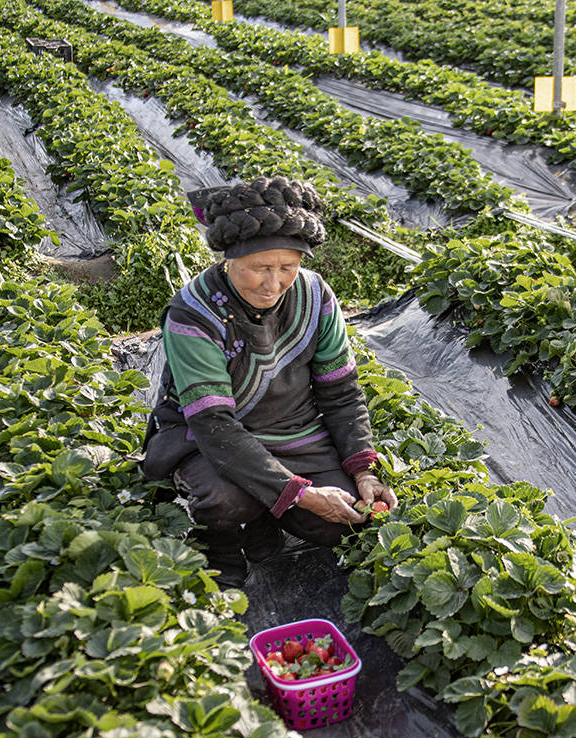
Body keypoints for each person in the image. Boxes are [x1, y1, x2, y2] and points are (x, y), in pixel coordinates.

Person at [142, 176, 397, 588]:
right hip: (206, 439)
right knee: (227, 501)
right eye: (260, 268)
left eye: (288, 268)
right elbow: (214, 424)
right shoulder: (193, 313)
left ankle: (266, 515)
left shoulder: (316, 297)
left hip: (293, 431)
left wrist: (364, 469)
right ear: (229, 260)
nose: (273, 283)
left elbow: (341, 392)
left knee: (344, 523)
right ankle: (221, 540)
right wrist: (301, 494)